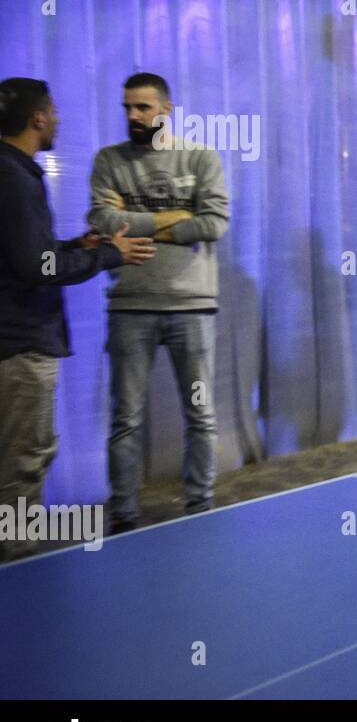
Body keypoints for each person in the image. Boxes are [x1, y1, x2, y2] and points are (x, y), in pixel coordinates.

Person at [0, 78, 154, 561]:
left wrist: (76, 246)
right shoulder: (14, 177)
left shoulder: (13, 172)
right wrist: (109, 255)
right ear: (38, 118)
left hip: (16, 342)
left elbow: (27, 255)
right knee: (23, 465)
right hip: (22, 347)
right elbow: (35, 269)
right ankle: (18, 563)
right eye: (55, 110)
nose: (60, 119)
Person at [87, 73, 230, 533]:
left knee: (200, 414)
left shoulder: (201, 157)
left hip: (192, 305)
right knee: (125, 418)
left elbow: (213, 224)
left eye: (143, 108)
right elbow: (103, 220)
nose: (133, 115)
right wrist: (173, 219)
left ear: (166, 110)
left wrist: (136, 220)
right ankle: (124, 514)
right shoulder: (109, 160)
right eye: (127, 107)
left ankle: (199, 506)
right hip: (130, 305)